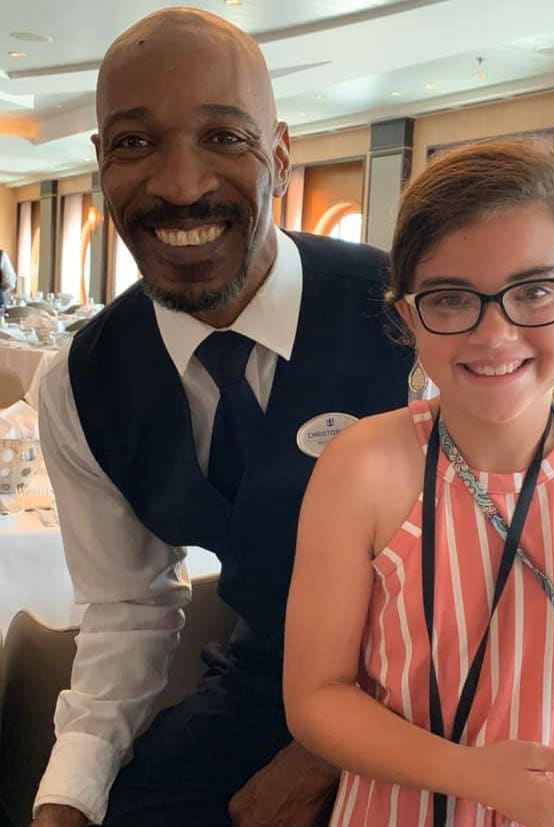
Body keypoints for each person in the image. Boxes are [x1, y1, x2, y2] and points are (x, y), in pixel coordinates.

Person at [32, 8, 410, 827]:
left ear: (279, 153)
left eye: (224, 138)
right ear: (100, 164)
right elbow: (129, 608)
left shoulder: (411, 317)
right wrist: (66, 798)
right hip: (263, 682)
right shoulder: (80, 386)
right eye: (135, 144)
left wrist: (328, 755)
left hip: (441, 685)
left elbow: (501, 571)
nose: (179, 184)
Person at [283, 142, 554, 827]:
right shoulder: (364, 464)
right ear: (408, 316)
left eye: (535, 291)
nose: (496, 331)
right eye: (452, 298)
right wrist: (474, 774)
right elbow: (315, 697)